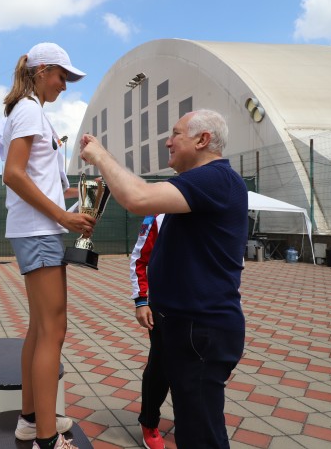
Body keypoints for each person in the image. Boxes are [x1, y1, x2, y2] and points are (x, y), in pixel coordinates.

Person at [81, 109, 247, 448]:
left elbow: (137, 198)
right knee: (192, 425)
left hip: (200, 328)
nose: (168, 141)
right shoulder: (200, 186)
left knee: (201, 434)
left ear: (203, 140)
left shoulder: (215, 178)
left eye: (176, 134)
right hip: (187, 326)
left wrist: (100, 155)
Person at [0, 42, 96, 449]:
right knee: (53, 332)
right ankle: (46, 439)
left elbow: (38, 178)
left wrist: (78, 198)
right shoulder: (26, 109)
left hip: (40, 229)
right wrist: (63, 216)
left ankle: (29, 420)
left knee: (40, 330)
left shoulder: (33, 111)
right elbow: (13, 174)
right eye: (62, 76)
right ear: (41, 71)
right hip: (39, 231)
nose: (66, 85)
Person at [129, 214, 168, 449]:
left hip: (203, 303)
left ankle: (193, 418)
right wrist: (141, 301)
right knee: (161, 365)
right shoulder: (158, 214)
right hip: (165, 305)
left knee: (197, 367)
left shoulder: (211, 204)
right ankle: (149, 422)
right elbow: (139, 260)